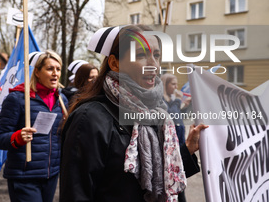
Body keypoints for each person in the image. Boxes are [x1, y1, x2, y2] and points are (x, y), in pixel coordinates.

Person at [60, 25, 208, 202]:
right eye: (141, 55)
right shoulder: (89, 118)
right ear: (115, 63)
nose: (153, 64)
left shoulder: (157, 113)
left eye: (157, 55)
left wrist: (188, 149)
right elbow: (77, 193)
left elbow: (160, 174)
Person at [0, 50, 68, 202]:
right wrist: (17, 137)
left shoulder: (62, 100)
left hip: (51, 174)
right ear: (37, 72)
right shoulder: (17, 98)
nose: (55, 73)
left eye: (58, 69)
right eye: (50, 68)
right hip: (24, 175)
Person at [161, 73, 192, 202]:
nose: (176, 86)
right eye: (173, 84)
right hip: (168, 144)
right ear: (165, 84)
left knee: (180, 175)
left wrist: (187, 105)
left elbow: (180, 115)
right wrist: (179, 101)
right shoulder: (161, 100)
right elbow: (170, 113)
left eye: (176, 83)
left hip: (179, 139)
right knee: (172, 176)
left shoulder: (173, 98)